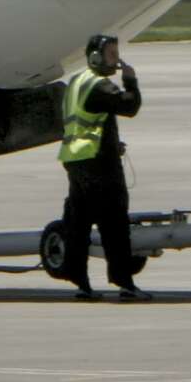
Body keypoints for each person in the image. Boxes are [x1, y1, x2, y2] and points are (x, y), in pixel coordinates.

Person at [58, 33, 149, 301]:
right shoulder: (99, 86)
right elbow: (129, 106)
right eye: (111, 54)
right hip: (100, 165)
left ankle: (81, 283)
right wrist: (130, 81)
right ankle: (124, 283)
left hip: (76, 160)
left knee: (78, 223)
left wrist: (111, 143)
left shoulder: (77, 82)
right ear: (95, 57)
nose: (116, 59)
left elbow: (87, 120)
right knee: (114, 223)